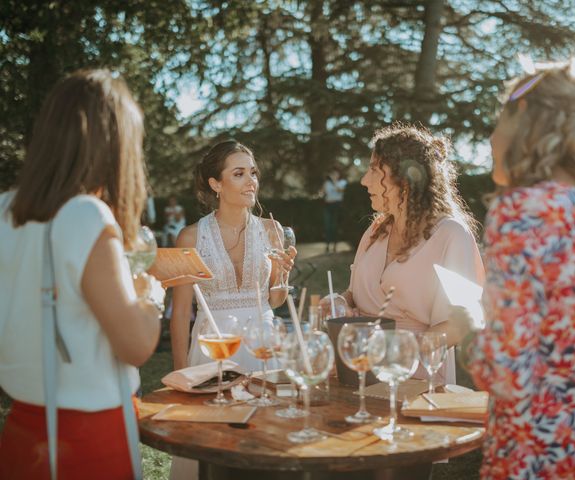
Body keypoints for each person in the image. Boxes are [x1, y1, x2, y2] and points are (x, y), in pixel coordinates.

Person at [460, 58, 575, 478]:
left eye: (498, 118)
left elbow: (509, 373)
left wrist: (469, 330)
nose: (490, 137)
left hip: (539, 448)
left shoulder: (523, 211)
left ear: (523, 116)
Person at [0, 69, 164, 479]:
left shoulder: (4, 209)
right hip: (87, 437)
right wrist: (150, 296)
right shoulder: (85, 215)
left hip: (22, 430)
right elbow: (136, 346)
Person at [169, 140, 296, 479]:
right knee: (214, 446)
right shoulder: (190, 237)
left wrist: (282, 276)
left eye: (253, 173)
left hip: (263, 346)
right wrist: (180, 377)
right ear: (216, 184)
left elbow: (274, 301)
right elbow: (181, 313)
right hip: (213, 347)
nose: (251, 181)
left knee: (267, 445)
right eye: (238, 174)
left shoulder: (271, 230)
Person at [323, 123, 485, 385]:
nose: (365, 181)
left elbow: (461, 325)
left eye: (375, 170)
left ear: (405, 178)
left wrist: (396, 350)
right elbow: (353, 295)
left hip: (417, 380)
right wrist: (340, 302)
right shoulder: (375, 231)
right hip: (358, 372)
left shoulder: (450, 236)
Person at [321, 168, 347, 252]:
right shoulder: (327, 183)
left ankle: (335, 246)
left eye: (336, 174)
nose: (334, 176)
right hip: (328, 205)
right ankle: (327, 245)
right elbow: (323, 192)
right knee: (327, 226)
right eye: (333, 174)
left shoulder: (342, 183)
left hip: (337, 206)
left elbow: (340, 190)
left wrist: (334, 181)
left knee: (335, 226)